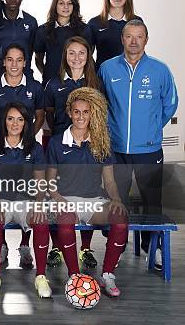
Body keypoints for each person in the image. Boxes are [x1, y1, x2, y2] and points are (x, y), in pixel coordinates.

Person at [98, 20, 178, 268]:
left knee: (152, 201)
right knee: (116, 200)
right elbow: (100, 105)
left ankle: (151, 248)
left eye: (139, 36)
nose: (134, 41)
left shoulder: (160, 70)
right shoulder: (107, 69)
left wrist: (151, 128)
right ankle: (117, 247)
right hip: (117, 148)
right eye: (129, 36)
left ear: (146, 39)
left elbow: (170, 104)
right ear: (122, 39)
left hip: (149, 148)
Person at [47, 87, 129, 297]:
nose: (81, 116)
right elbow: (49, 181)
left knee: (120, 218)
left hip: (94, 200)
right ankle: (75, 277)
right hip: (66, 199)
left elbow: (109, 181)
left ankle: (108, 274)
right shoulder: (57, 142)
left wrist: (117, 199)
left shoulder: (101, 142)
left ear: (92, 113)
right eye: (77, 111)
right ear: (69, 112)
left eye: (85, 112)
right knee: (65, 222)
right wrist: (57, 199)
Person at [44, 36, 102, 268]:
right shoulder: (54, 83)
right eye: (71, 53)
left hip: (88, 145)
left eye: (81, 53)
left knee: (87, 193)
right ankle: (56, 247)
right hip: (61, 145)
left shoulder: (95, 83)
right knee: (57, 197)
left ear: (88, 57)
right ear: (65, 56)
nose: (76, 58)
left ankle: (85, 248)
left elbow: (99, 116)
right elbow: (47, 115)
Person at [0, 102, 51, 298]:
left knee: (41, 220)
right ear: (4, 121)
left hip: (25, 201)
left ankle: (40, 277)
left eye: (20, 119)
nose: (15, 123)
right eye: (10, 118)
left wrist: (39, 204)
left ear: (26, 123)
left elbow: (40, 182)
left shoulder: (35, 148)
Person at [0, 43, 44, 263]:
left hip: (25, 144)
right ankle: (0, 246)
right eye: (10, 59)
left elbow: (39, 114)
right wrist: (1, 140)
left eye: (19, 60)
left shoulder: (35, 87)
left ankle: (24, 245)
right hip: (2, 144)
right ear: (3, 61)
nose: (14, 64)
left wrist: (26, 138)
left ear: (25, 63)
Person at [34, 0, 92, 85]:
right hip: (51, 81)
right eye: (61, 3)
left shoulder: (84, 30)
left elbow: (88, 54)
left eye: (69, 3)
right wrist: (48, 76)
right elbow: (38, 59)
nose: (66, 7)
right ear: (55, 5)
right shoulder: (43, 30)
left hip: (78, 83)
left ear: (74, 6)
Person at [89, 0, 142, 70]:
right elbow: (86, 54)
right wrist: (96, 73)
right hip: (103, 79)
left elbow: (140, 51)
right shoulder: (95, 23)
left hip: (131, 76)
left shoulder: (136, 22)